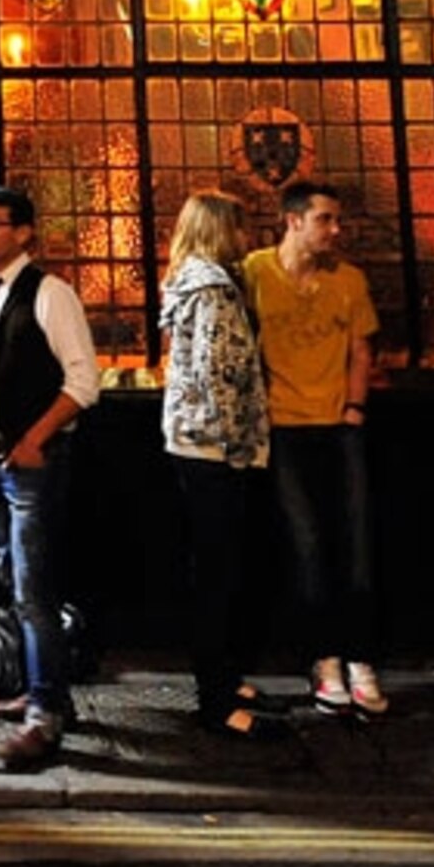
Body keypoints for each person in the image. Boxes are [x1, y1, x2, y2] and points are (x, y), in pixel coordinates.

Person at [0, 184, 100, 771]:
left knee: (33, 586)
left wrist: (35, 440)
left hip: (32, 461)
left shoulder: (51, 294)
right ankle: (44, 687)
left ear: (25, 232)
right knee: (13, 574)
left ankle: (45, 714)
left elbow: (84, 382)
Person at [243, 179, 384, 718]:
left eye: (336, 220)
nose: (335, 230)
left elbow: (360, 349)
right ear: (293, 220)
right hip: (281, 425)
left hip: (337, 424)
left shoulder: (348, 280)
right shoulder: (255, 272)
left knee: (356, 542)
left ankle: (360, 658)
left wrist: (353, 410)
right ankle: (324, 659)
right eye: (325, 219)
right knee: (305, 545)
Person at [159, 192, 285, 742]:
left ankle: (226, 679)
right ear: (219, 231)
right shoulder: (211, 290)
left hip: (198, 444)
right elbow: (218, 376)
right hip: (214, 448)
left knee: (219, 571)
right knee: (215, 576)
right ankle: (215, 702)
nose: (248, 234)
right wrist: (239, 447)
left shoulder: (196, 281)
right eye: (241, 226)